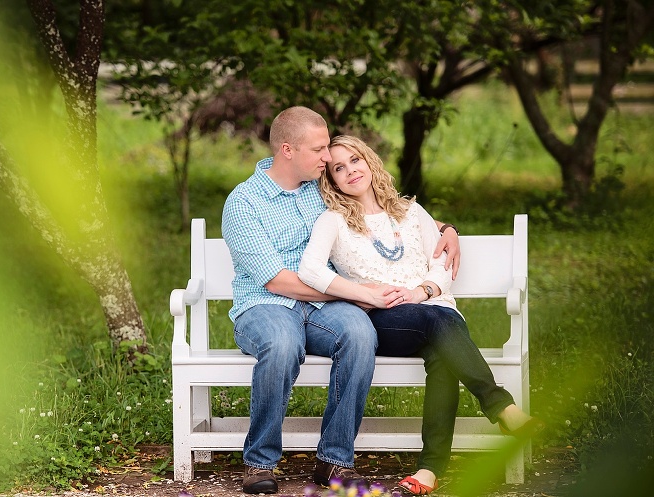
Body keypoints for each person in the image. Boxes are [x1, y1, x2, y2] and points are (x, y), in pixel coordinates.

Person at [221, 107, 462, 494]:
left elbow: (383, 211)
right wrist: (359, 294)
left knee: (360, 333)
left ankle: (334, 460)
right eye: (318, 150)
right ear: (287, 150)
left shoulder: (320, 188)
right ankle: (259, 461)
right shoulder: (243, 203)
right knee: (283, 343)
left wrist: (445, 228)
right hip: (265, 304)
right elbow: (279, 281)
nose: (327, 158)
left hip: (323, 308)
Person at [298, 135, 544, 496]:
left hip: (433, 313)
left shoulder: (410, 211)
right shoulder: (334, 221)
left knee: (441, 346)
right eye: (338, 168)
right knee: (439, 324)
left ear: (369, 162)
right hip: (384, 320)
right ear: (332, 180)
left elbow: (442, 262)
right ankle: (500, 407)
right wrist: (365, 294)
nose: (350, 171)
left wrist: (422, 291)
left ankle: (428, 471)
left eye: (355, 160)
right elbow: (310, 270)